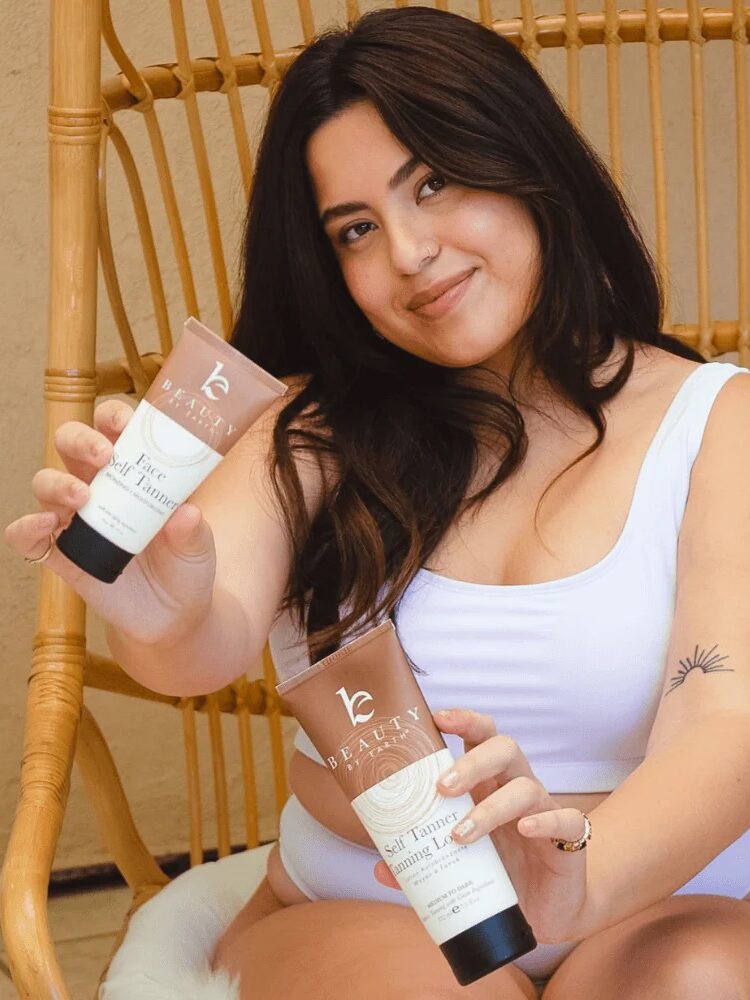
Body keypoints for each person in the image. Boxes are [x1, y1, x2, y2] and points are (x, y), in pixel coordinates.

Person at [6, 6, 750, 999]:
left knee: (694, 983)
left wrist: (585, 882)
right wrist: (168, 610)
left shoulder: (720, 422)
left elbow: (724, 719)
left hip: (653, 898)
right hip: (373, 911)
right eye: (356, 229)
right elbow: (206, 627)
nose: (407, 252)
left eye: (435, 183)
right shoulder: (315, 429)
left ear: (530, 167)